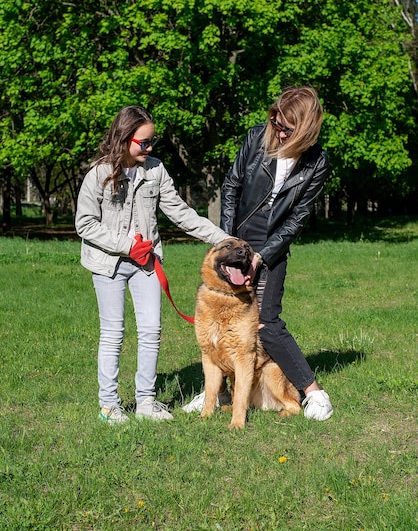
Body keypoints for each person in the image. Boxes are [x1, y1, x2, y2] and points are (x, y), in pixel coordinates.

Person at [183, 86, 333, 420]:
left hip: (274, 244)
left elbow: (297, 218)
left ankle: (314, 393)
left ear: (306, 128)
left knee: (265, 322)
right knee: (217, 319)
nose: (279, 131)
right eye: (276, 122)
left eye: (287, 129)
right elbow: (232, 185)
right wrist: (229, 241)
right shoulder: (256, 138)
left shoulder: (316, 161)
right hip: (239, 238)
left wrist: (262, 255)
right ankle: (215, 392)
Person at [75, 105, 229, 424]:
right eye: (143, 142)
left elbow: (181, 213)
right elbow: (84, 223)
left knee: (151, 330)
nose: (149, 148)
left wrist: (222, 239)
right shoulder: (99, 174)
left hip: (146, 263)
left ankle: (146, 402)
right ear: (123, 138)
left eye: (152, 142)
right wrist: (127, 245)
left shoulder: (155, 170)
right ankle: (109, 406)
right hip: (109, 264)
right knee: (113, 332)